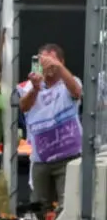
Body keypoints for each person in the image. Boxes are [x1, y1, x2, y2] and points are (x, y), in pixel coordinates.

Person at [17, 43, 83, 209]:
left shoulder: (70, 81)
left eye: (52, 61)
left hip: (68, 158)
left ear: (62, 61)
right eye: (44, 61)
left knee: (67, 207)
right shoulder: (29, 87)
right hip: (41, 160)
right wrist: (36, 88)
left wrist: (59, 68)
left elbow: (77, 92)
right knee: (39, 207)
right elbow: (24, 107)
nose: (48, 65)